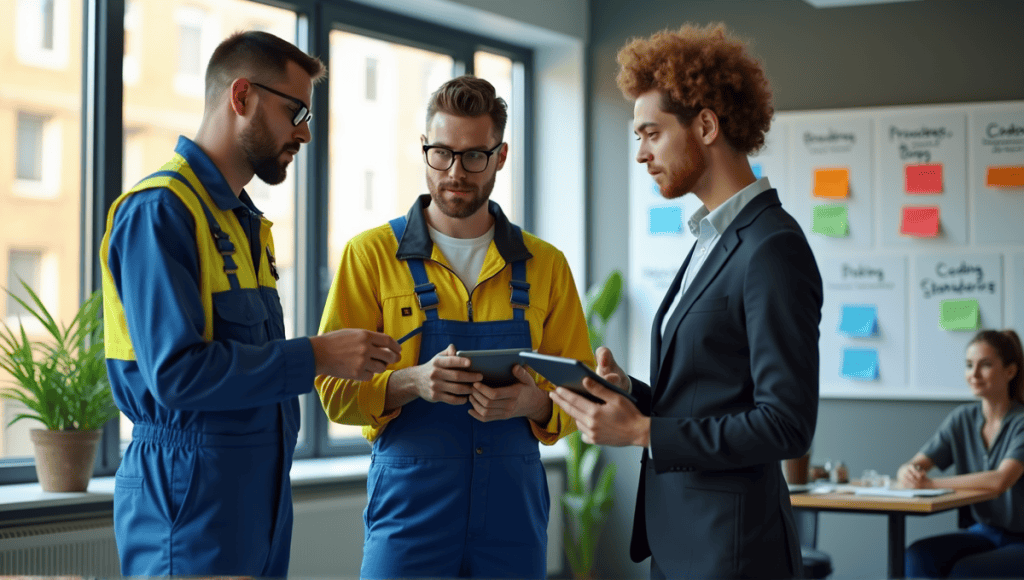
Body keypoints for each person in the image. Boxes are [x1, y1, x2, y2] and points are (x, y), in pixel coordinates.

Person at [99, 31, 401, 577]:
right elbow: (177, 375)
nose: (304, 133)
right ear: (242, 97)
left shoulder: (242, 221)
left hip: (252, 492)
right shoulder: (160, 211)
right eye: (295, 112)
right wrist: (316, 356)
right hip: (187, 492)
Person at [549, 23, 823, 579]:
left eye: (651, 133)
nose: (641, 154)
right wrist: (633, 395)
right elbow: (711, 395)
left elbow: (785, 424)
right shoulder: (709, 240)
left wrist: (644, 432)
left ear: (705, 124)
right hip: (681, 543)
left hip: (734, 553)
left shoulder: (772, 247)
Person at [314, 75, 593, 580]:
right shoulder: (370, 257)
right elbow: (332, 390)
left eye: (474, 156)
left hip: (514, 515)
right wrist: (411, 382)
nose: (455, 172)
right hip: (409, 513)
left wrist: (535, 403)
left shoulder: (546, 265)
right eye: (441, 153)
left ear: (501, 155)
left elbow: (585, 387)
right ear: (423, 148)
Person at [898, 330, 1024, 578]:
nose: (974, 374)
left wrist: (932, 484)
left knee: (967, 571)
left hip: (1020, 538)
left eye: (985, 365)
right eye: (969, 365)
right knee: (917, 555)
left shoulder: (1021, 422)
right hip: (983, 531)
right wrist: (908, 472)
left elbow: (1001, 480)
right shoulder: (962, 418)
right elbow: (917, 463)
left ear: (1010, 371)